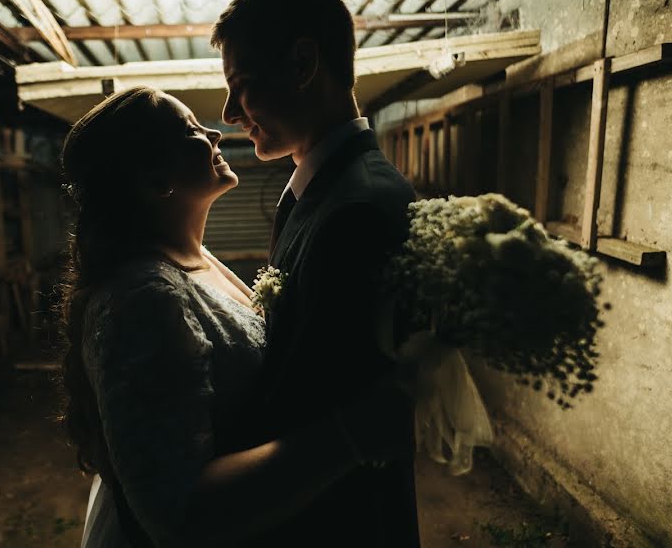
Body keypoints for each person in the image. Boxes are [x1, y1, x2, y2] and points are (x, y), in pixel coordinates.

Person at [59, 86, 410, 547]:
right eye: (191, 130)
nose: (215, 132)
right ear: (156, 179)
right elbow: (179, 514)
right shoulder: (142, 299)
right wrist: (352, 435)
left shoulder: (191, 257)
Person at [210, 0, 420, 546]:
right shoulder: (325, 190)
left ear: (303, 64)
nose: (229, 111)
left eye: (242, 83)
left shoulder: (358, 208)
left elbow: (311, 416)